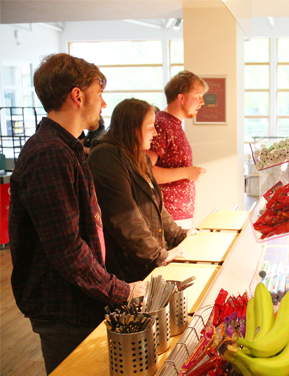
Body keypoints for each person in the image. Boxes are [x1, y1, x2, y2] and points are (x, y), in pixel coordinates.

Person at [8, 53, 146, 375]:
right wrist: (121, 291)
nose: (104, 105)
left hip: (79, 298)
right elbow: (67, 250)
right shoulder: (49, 155)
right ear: (78, 95)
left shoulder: (67, 148)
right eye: (99, 95)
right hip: (63, 306)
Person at [88, 98, 194, 282]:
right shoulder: (106, 157)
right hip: (128, 268)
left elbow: (155, 206)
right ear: (132, 127)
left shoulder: (139, 157)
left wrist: (179, 235)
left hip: (146, 261)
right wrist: (157, 255)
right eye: (150, 126)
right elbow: (124, 217)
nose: (155, 132)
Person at [146, 71, 208, 229]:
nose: (202, 102)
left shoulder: (173, 124)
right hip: (167, 216)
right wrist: (188, 173)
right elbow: (145, 171)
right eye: (197, 96)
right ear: (181, 98)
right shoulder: (161, 124)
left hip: (178, 214)